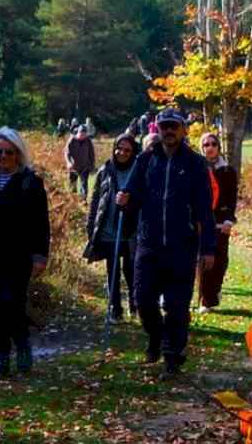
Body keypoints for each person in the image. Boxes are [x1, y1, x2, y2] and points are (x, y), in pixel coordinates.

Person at [115, 108, 216, 378]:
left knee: (176, 305)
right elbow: (134, 194)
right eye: (164, 127)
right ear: (157, 130)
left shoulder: (195, 164)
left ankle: (172, 357)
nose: (168, 131)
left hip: (181, 245)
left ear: (183, 130)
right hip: (148, 243)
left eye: (173, 126)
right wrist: (125, 198)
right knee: (142, 299)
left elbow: (205, 210)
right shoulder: (146, 159)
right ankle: (156, 337)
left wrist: (208, 248)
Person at [0, 128, 50, 379]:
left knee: (13, 304)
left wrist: (40, 255)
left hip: (19, 255)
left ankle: (23, 346)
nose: (2, 156)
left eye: (8, 152)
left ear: (18, 154)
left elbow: (41, 223)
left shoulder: (31, 182)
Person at [85, 133, 140, 323]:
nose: (122, 153)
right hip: (109, 229)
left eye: (127, 150)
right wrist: (91, 225)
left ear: (133, 152)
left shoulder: (138, 170)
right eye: (119, 148)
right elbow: (95, 200)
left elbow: (145, 200)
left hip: (131, 230)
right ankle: (115, 309)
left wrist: (130, 201)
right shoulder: (105, 170)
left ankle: (135, 305)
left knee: (131, 269)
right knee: (113, 270)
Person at [196, 132, 238, 313]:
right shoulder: (197, 168)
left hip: (221, 221)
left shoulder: (228, 170)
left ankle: (215, 290)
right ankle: (205, 300)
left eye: (213, 144)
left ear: (218, 147)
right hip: (202, 221)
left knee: (220, 260)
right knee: (204, 260)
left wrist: (229, 220)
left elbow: (231, 198)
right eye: (206, 145)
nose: (210, 147)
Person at [65, 126, 96, 198]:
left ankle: (83, 201)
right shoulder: (72, 140)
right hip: (73, 167)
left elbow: (91, 154)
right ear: (78, 133)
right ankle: (72, 200)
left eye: (84, 134)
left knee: (84, 185)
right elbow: (67, 153)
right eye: (81, 134)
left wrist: (92, 166)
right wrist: (68, 162)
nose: (83, 136)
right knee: (73, 185)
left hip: (85, 167)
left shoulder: (88, 141)